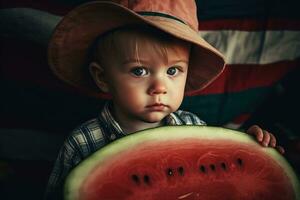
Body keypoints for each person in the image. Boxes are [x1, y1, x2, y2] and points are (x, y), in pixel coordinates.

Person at [44, 0, 284, 199]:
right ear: (102, 77)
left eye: (172, 71)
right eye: (139, 71)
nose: (159, 88)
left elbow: (224, 174)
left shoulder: (193, 127)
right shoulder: (81, 142)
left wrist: (254, 148)